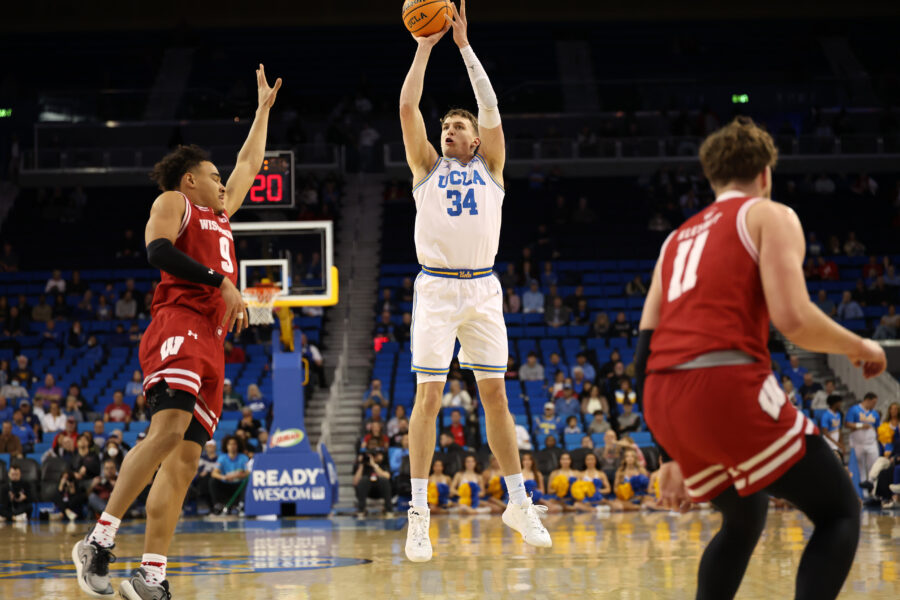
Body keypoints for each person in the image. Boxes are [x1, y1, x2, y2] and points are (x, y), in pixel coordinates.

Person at [638, 117, 885, 600]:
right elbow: (792, 319)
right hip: (724, 383)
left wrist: (668, 453)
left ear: (711, 178)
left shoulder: (675, 240)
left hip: (663, 396)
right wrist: (862, 346)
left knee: (744, 515)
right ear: (766, 174)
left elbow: (643, 347)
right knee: (839, 511)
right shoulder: (770, 215)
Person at [72, 64, 281, 600]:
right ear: (191, 179)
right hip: (179, 322)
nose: (221, 182)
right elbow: (158, 251)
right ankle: (99, 539)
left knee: (186, 461)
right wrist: (222, 282)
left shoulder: (223, 213)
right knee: (165, 431)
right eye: (213, 176)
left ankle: (151, 575)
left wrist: (261, 112)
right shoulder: (176, 202)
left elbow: (249, 162)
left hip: (212, 339)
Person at [398, 3, 549, 562]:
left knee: (496, 396)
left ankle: (517, 500)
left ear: (476, 141)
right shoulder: (426, 169)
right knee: (428, 395)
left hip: (483, 290)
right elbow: (408, 105)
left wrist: (462, 45)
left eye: (457, 127)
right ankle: (418, 513)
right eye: (446, 127)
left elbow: (489, 106)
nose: (449, 130)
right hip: (436, 289)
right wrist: (425, 45)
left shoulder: (492, 168)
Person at [846, 392, 881, 494]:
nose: (874, 405)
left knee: (874, 467)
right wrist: (860, 426)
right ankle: (863, 494)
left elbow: (877, 428)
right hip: (859, 443)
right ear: (868, 400)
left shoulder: (875, 413)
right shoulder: (854, 409)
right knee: (860, 468)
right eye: (873, 402)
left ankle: (874, 491)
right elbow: (847, 424)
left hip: (871, 443)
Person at [209, 435, 250, 515]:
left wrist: (236, 476)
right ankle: (218, 505)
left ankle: (241, 505)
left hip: (239, 485)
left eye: (234, 444)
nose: (232, 446)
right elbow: (214, 473)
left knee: (247, 481)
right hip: (226, 484)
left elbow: (248, 473)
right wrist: (224, 477)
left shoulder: (243, 457)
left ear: (238, 446)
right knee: (213, 481)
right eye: (230, 444)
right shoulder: (222, 458)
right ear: (226, 446)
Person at [353, 448, 393, 518]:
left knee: (384, 480)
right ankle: (361, 510)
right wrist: (362, 465)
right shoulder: (362, 466)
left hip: (380, 491)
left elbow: (387, 477)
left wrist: (374, 465)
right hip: (367, 491)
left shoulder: (383, 464)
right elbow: (355, 482)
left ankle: (388, 509)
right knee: (364, 480)